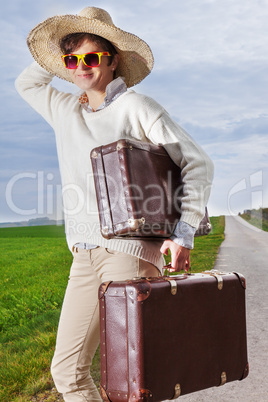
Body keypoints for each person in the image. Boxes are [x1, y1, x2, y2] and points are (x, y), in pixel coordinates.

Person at [15, 6, 214, 401]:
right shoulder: (65, 109)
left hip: (131, 252)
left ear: (113, 59)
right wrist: (61, 43)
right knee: (68, 372)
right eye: (72, 60)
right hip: (84, 255)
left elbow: (198, 163)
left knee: (134, 378)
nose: (80, 66)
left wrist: (184, 235)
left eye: (91, 57)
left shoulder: (137, 107)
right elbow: (27, 83)